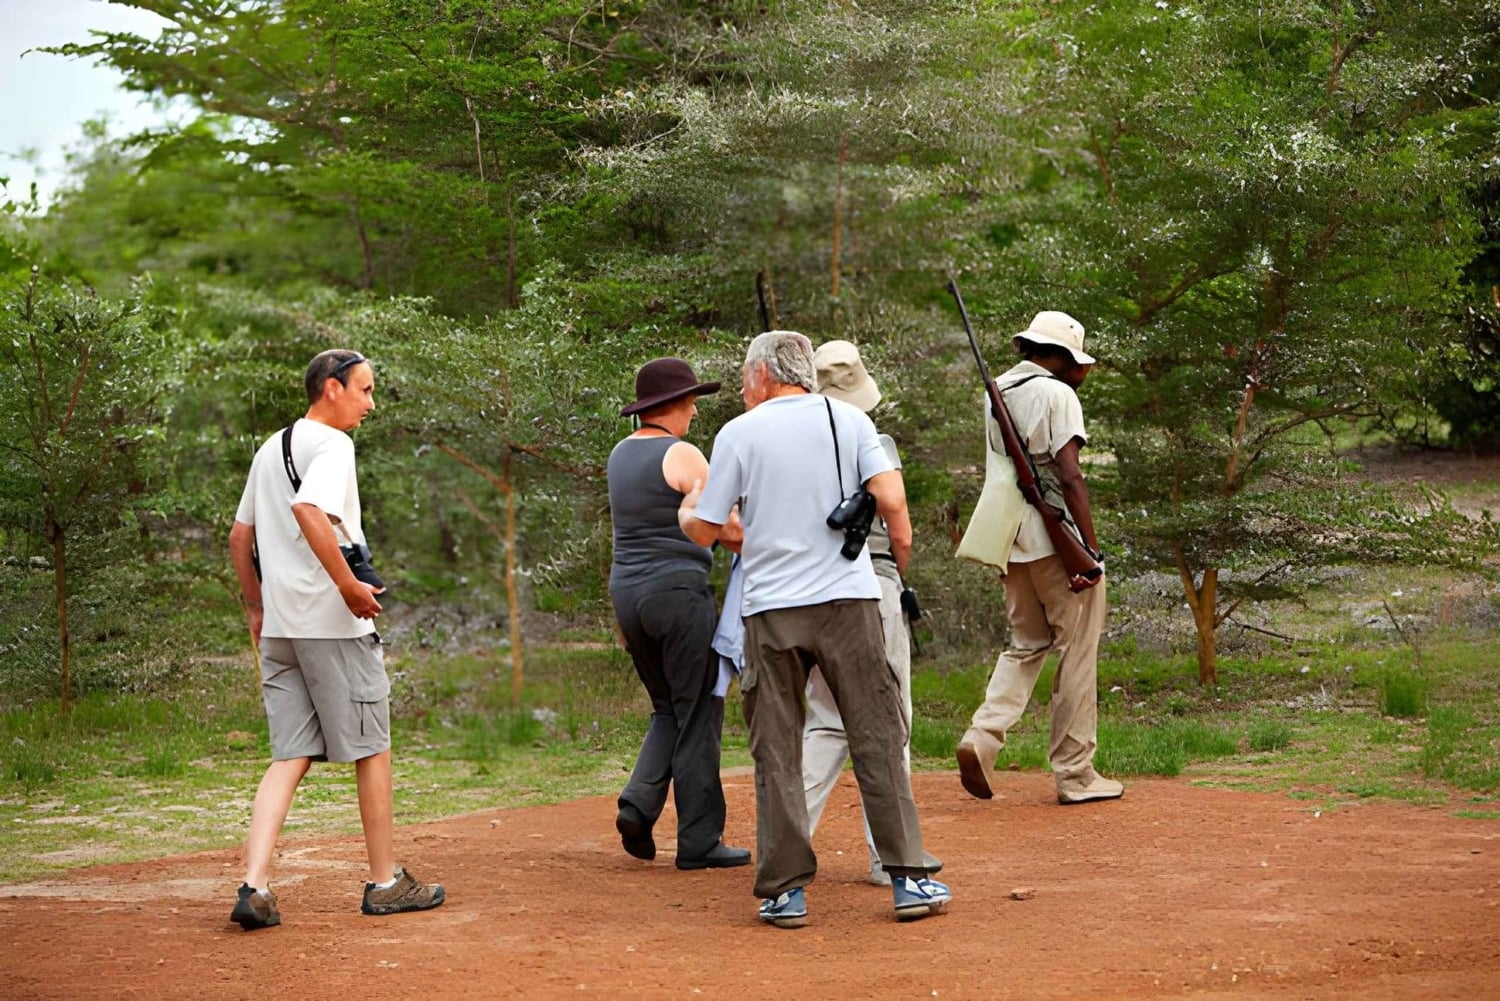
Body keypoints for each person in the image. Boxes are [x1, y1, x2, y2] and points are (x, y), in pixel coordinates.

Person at [679, 330, 951, 929]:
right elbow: (889, 495)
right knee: (876, 733)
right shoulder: (849, 422)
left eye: (746, 376)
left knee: (776, 747)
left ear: (762, 376)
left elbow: (705, 530)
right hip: (848, 601)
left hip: (771, 609)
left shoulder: (737, 434)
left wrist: (690, 508)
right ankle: (908, 878)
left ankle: (786, 891)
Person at [226, 349, 444, 931]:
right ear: (331, 388)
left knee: (289, 753)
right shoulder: (335, 446)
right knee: (371, 746)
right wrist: (348, 586)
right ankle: (385, 882)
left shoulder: (270, 447)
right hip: (332, 625)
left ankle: (255, 886)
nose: (370, 404)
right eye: (365, 390)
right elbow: (307, 508)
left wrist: (256, 606)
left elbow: (239, 535)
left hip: (282, 629)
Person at [954, 311, 1123, 806]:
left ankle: (982, 738)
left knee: (1026, 643)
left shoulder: (997, 392)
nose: (1084, 373)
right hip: (1055, 541)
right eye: (1081, 363)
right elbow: (1069, 476)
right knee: (1077, 649)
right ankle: (1076, 772)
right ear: (1065, 358)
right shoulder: (1057, 394)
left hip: (1009, 539)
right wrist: (1089, 550)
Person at [608, 358, 751, 871]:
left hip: (628, 594)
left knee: (668, 706)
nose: (694, 410)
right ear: (674, 405)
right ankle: (699, 839)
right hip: (677, 594)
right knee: (699, 709)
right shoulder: (682, 452)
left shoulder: (620, 455)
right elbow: (723, 525)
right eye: (690, 401)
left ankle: (638, 804)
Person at [800, 340, 931, 887]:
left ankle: (785, 845)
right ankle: (890, 857)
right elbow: (898, 526)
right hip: (871, 584)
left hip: (808, 592)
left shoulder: (790, 446)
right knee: (888, 723)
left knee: (826, 723)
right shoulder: (875, 441)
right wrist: (898, 572)